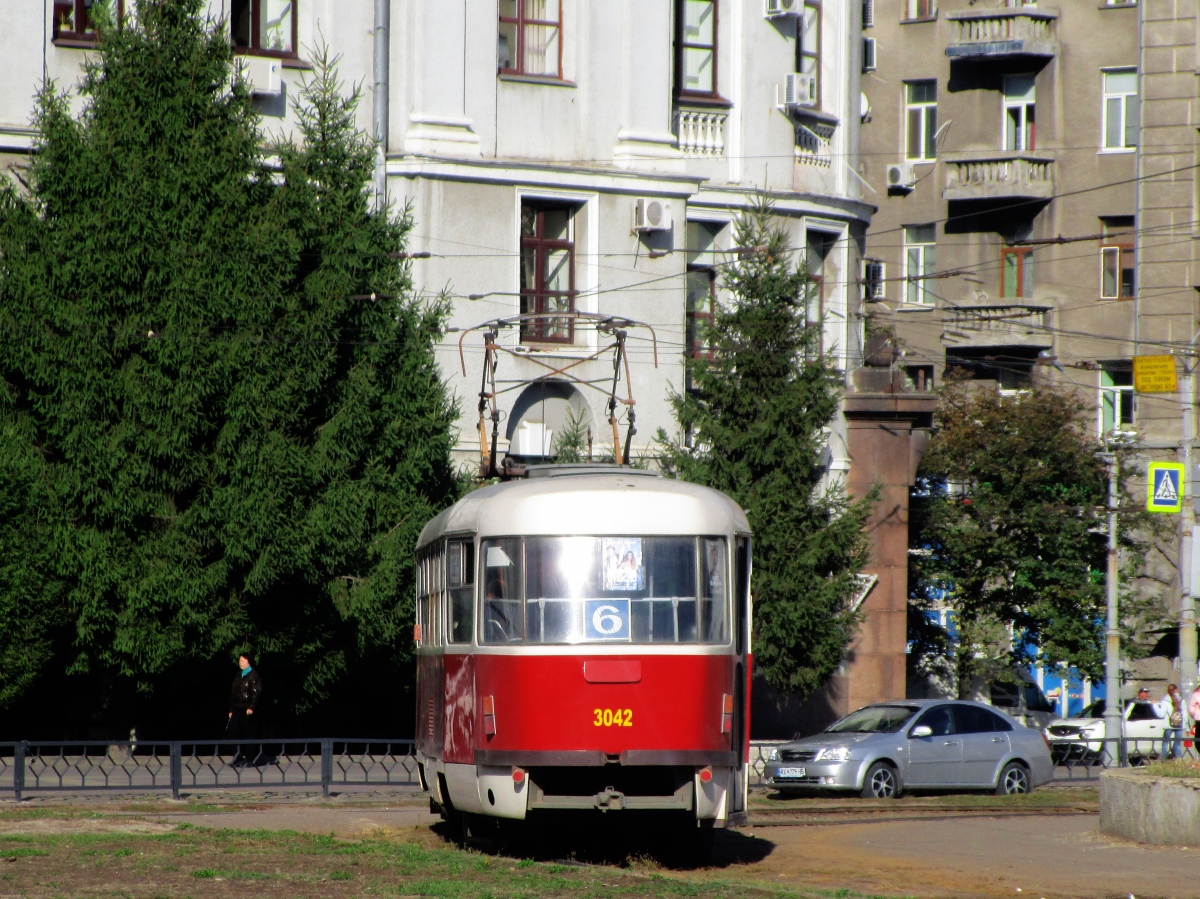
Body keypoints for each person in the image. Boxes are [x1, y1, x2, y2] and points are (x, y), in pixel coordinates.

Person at [226, 652, 263, 767]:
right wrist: (231, 709)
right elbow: (233, 693)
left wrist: (251, 707)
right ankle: (237, 757)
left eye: (243, 661)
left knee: (249, 733)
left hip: (247, 708)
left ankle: (250, 759)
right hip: (237, 707)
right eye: (240, 661)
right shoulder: (238, 675)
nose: (240, 663)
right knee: (232, 731)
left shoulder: (253, 675)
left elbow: (256, 692)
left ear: (248, 662)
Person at [1159, 683, 1183, 760]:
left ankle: (1163, 760)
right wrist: (1186, 726)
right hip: (1179, 725)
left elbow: (1161, 714)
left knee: (1165, 743)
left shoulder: (1165, 700)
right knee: (1177, 744)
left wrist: (1154, 705)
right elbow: (1184, 714)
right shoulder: (1181, 700)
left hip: (1168, 725)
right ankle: (1178, 761)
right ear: (1176, 690)